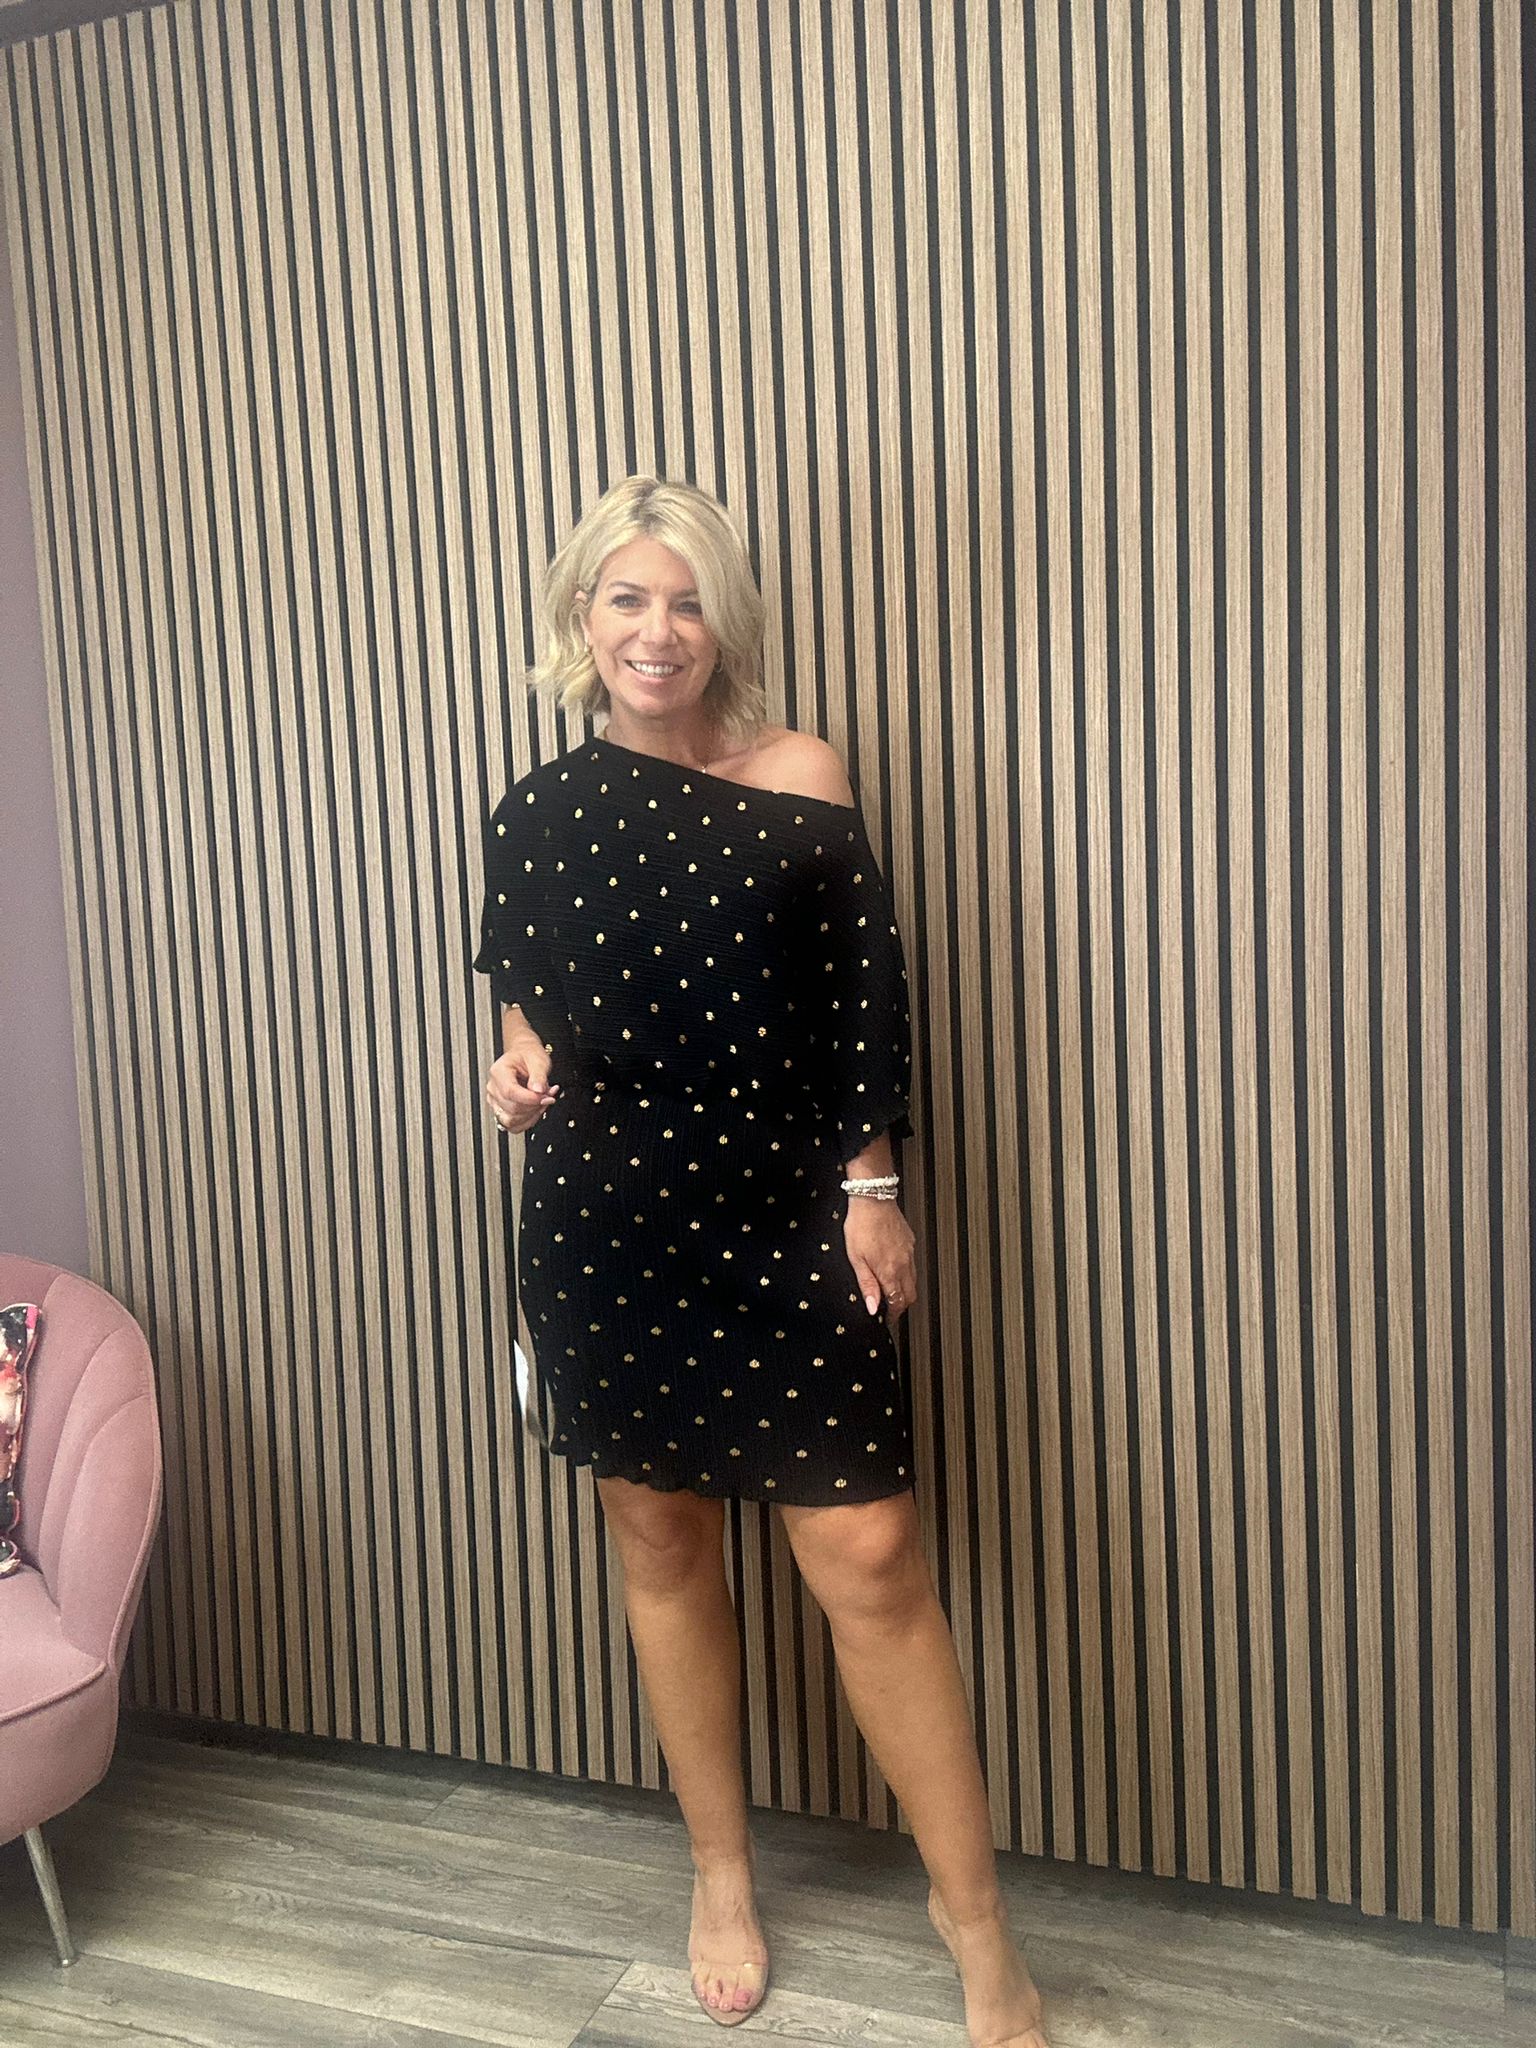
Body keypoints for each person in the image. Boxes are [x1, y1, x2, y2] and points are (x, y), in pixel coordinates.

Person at [472, 476, 1048, 2045]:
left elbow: (865, 1001)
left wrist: (875, 1188)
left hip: (790, 1215)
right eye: (628, 599)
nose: (659, 631)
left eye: (688, 601)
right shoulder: (535, 812)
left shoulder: (801, 772)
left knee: (871, 1558)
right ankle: (720, 1875)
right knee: (660, 1544)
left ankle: (977, 1928)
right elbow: (527, 1017)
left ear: (725, 623)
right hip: (607, 1222)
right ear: (582, 617)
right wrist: (512, 1074)